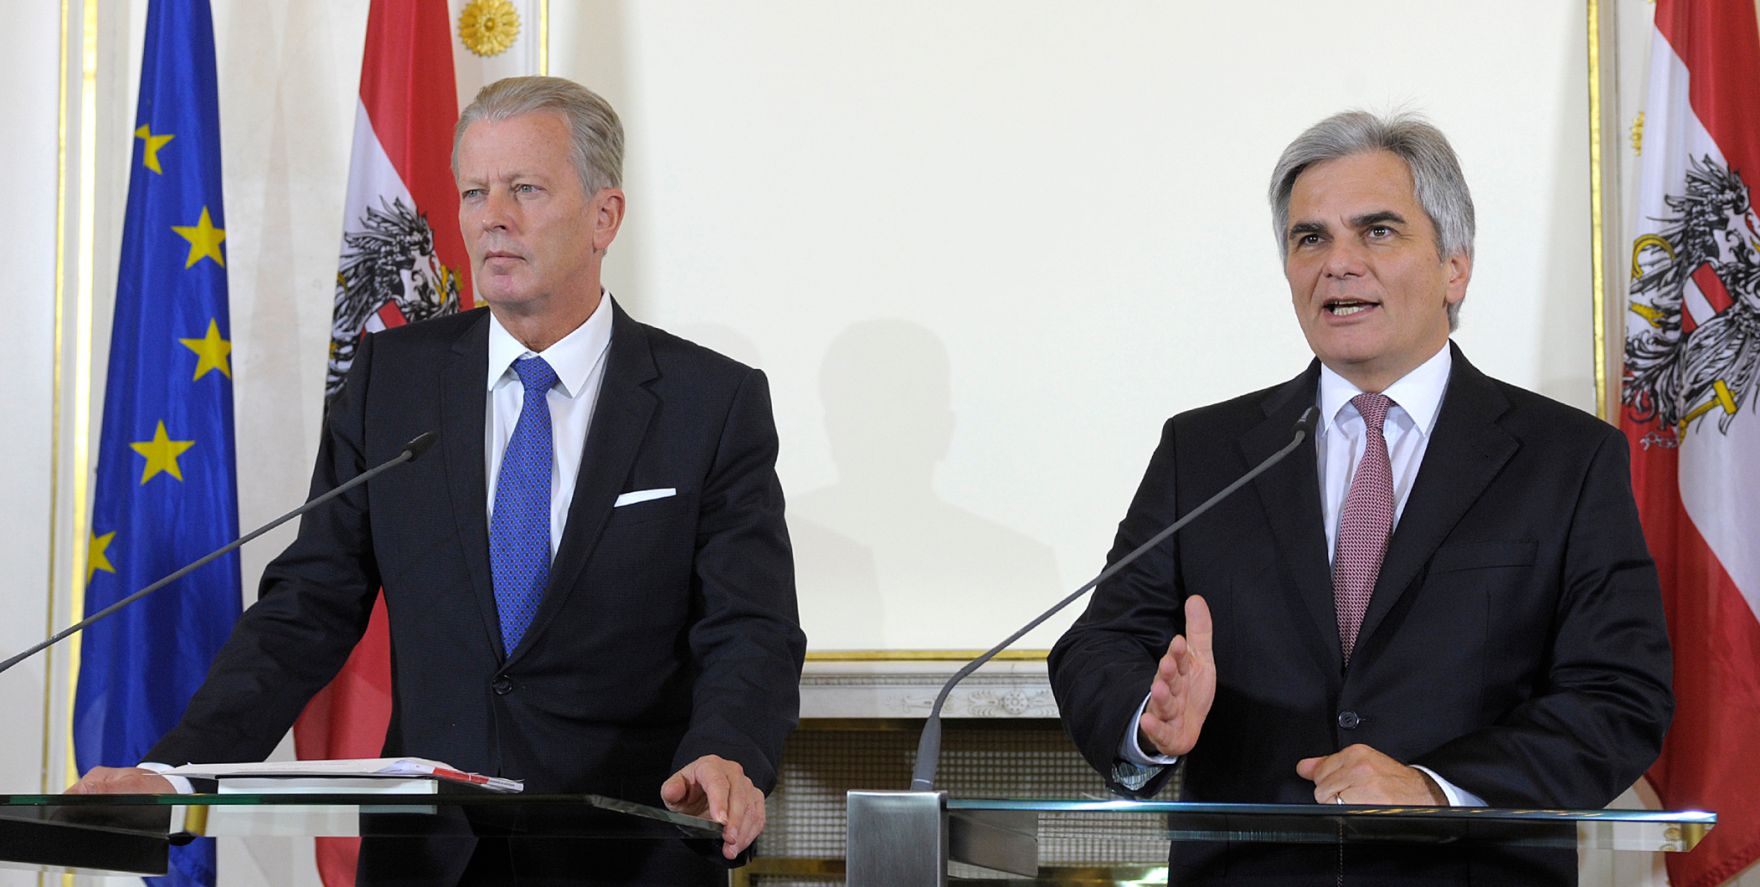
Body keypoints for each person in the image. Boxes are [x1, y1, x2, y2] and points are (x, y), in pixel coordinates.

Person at [70, 76, 806, 885]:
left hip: (630, 852)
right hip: (429, 858)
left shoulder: (712, 402)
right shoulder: (393, 380)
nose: (493, 215)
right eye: (474, 191)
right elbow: (307, 607)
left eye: (525, 188)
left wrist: (727, 750)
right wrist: (179, 771)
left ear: (606, 216)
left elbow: (750, 626)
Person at [1048, 110, 1673, 885]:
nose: (1338, 264)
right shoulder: (1204, 452)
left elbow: (1620, 693)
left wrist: (1437, 788)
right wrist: (1147, 715)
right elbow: (1100, 641)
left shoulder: (1566, 458)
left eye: (1377, 231)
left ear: (1455, 267)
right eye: (1310, 238)